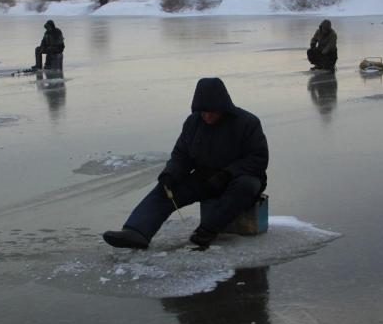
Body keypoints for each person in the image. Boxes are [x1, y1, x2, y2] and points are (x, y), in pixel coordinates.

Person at [102, 77, 268, 249]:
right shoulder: (193, 123)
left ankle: (207, 232)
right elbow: (182, 155)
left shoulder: (247, 123)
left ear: (223, 107)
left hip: (240, 179)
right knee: (166, 190)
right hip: (205, 178)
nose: (207, 116)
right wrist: (171, 173)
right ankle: (136, 232)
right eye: (203, 112)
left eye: (212, 112)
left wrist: (228, 174)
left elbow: (258, 158)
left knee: (246, 186)